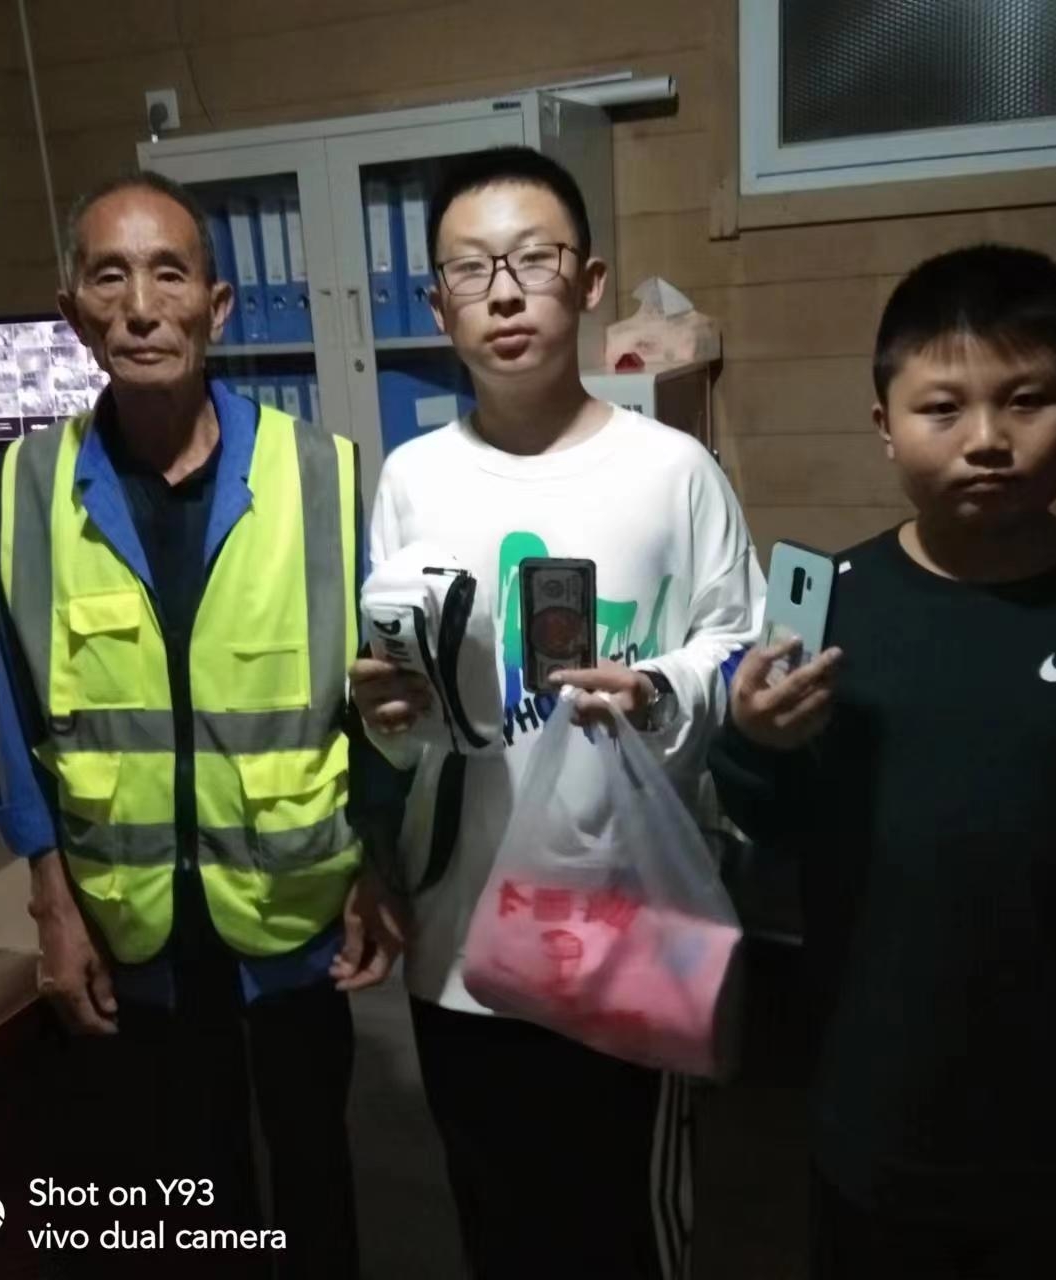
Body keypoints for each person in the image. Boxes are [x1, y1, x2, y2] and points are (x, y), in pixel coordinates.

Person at [349, 146, 764, 1279]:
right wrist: (381, 705)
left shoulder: (672, 470)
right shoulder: (411, 477)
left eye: (532, 260)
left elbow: (736, 646)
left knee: (625, 1224)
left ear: (587, 283)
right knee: (494, 1213)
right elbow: (399, 699)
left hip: (628, 922)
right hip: (460, 930)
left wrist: (659, 687)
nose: (502, 293)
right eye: (469, 269)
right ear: (436, 301)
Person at [0, 171, 399, 1279]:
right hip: (134, 915)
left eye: (168, 274)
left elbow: (373, 700)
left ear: (216, 306)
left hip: (289, 904)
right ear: (73, 311)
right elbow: (13, 704)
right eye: (108, 278)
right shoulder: (28, 487)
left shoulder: (323, 475)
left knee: (314, 1165)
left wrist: (379, 864)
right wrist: (50, 899)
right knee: (190, 1178)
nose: (139, 307)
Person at [709, 244, 1056, 1280]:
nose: (986, 438)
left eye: (1026, 399)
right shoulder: (832, 602)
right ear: (884, 424)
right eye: (942, 407)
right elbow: (770, 824)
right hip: (871, 1106)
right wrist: (753, 738)